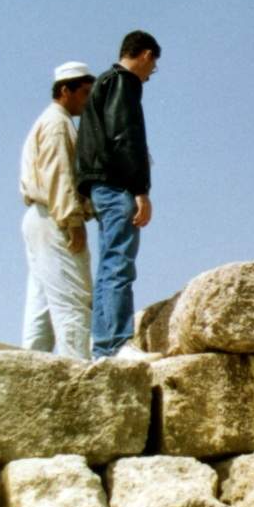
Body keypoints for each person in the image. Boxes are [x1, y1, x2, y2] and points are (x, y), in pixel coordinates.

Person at [77, 30, 161, 358]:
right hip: (116, 185)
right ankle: (114, 344)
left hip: (100, 186)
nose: (151, 73)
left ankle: (104, 346)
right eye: (153, 65)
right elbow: (125, 136)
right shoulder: (123, 82)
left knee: (109, 262)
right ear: (145, 55)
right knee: (119, 262)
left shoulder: (103, 83)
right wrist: (140, 189)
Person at [18, 61, 97, 359]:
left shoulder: (51, 121)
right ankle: (78, 374)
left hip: (40, 217)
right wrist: (72, 221)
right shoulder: (57, 123)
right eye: (85, 93)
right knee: (73, 301)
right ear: (66, 90)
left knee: (41, 307)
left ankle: (27, 372)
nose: (88, 101)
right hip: (55, 218)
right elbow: (59, 173)